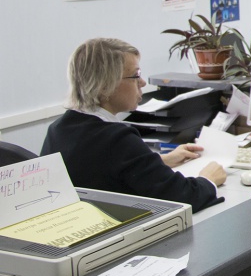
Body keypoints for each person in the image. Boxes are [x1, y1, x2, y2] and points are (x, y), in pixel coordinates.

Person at [41, 38, 225, 211]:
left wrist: (161, 161)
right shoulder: (116, 138)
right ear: (105, 86)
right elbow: (183, 196)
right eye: (135, 75)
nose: (143, 82)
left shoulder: (59, 129)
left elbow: (102, 171)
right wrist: (208, 180)